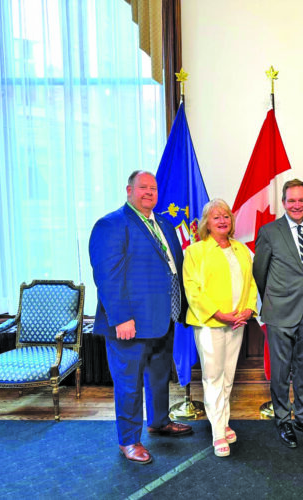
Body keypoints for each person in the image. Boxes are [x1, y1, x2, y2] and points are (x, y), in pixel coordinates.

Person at [89, 170, 192, 465]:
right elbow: (108, 277)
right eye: (143, 187)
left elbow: (173, 268)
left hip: (163, 319)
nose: (149, 192)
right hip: (130, 323)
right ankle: (129, 440)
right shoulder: (112, 224)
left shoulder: (163, 224)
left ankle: (158, 422)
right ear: (129, 190)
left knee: (159, 377)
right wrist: (120, 318)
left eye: (153, 188)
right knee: (129, 384)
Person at [183, 199, 258, 458]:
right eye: (216, 217)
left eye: (226, 216)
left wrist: (248, 309)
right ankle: (217, 433)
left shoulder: (241, 249)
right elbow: (193, 290)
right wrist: (218, 314)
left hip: (237, 323)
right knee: (213, 377)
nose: (222, 220)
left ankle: (223, 421)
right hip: (209, 324)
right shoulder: (196, 251)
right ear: (207, 223)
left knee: (227, 377)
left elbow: (251, 284)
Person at [253, 179, 303, 448]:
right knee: (281, 371)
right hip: (280, 311)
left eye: (302, 200)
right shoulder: (269, 231)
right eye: (292, 200)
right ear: (283, 202)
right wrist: (275, 299)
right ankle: (283, 419)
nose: (297, 205)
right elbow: (259, 272)